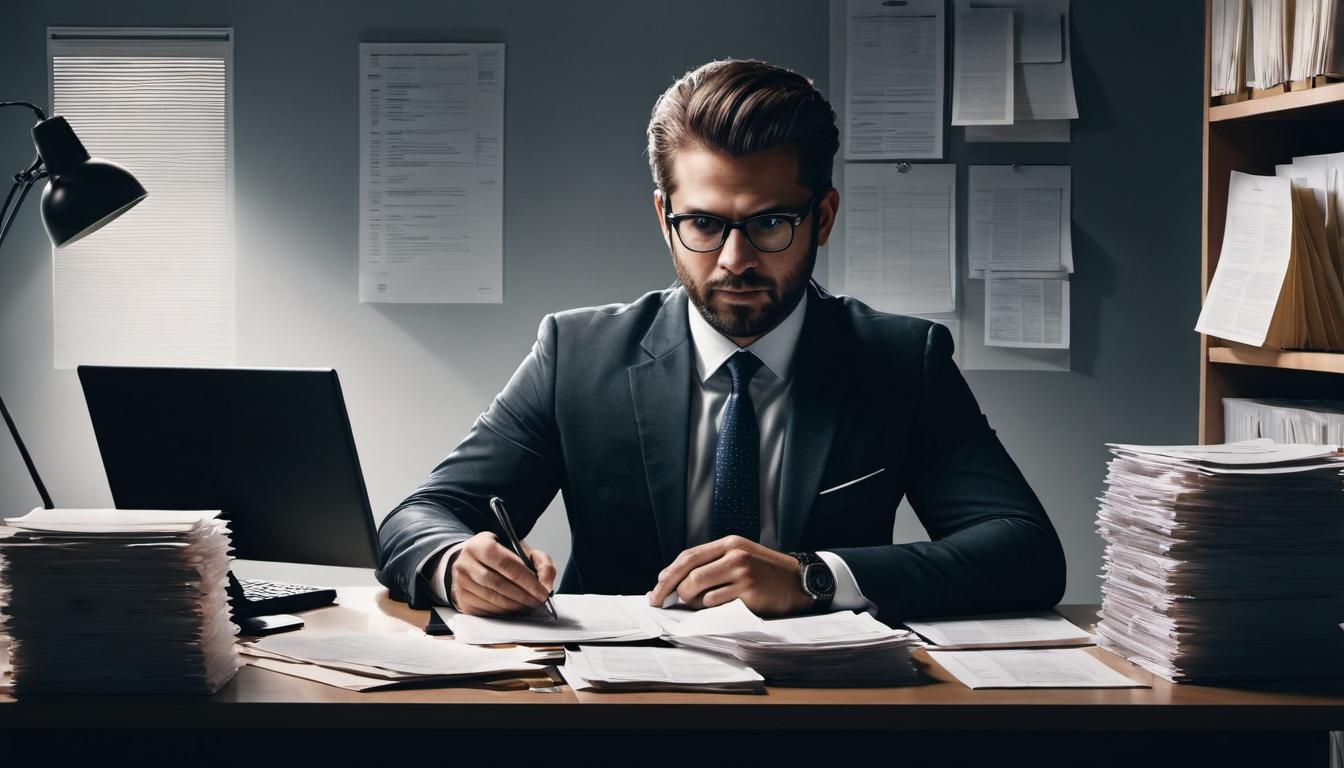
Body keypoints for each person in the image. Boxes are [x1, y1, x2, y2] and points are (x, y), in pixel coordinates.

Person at [375, 59, 1066, 625]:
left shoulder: (901, 362)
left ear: (822, 216)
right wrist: (454, 564)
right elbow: (420, 518)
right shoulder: (576, 355)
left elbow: (1025, 551)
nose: (734, 259)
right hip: (614, 715)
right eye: (703, 224)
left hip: (830, 711)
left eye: (768, 224)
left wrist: (815, 578)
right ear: (663, 216)